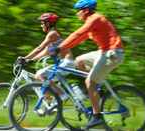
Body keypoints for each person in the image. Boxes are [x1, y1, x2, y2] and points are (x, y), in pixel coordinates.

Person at [52, 0, 124, 128]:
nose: (77, 14)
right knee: (79, 61)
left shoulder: (95, 19)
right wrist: (61, 49)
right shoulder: (91, 23)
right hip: (103, 52)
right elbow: (78, 39)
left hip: (113, 53)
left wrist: (59, 47)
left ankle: (97, 117)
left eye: (78, 11)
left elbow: (77, 34)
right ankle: (97, 89)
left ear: (85, 11)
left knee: (89, 82)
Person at [23, 13, 74, 114]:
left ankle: (62, 95)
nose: (41, 25)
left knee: (40, 75)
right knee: (41, 76)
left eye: (42, 23)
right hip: (63, 63)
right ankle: (50, 104)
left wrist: (25, 58)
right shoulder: (52, 35)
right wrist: (30, 60)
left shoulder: (52, 34)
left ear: (48, 23)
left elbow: (39, 48)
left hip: (67, 63)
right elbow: (44, 52)